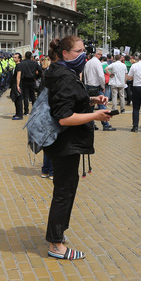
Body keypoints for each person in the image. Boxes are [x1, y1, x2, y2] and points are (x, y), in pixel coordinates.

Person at [43, 36, 113, 260]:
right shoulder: (64, 76)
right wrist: (96, 115)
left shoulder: (63, 72)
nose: (83, 55)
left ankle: (59, 233)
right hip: (65, 143)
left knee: (68, 189)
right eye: (78, 51)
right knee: (63, 192)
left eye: (84, 50)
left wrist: (91, 100)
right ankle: (55, 244)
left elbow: (67, 101)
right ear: (65, 53)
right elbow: (63, 117)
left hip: (67, 143)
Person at [84, 48, 115, 131]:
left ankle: (91, 124)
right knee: (102, 104)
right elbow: (101, 76)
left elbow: (85, 75)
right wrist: (103, 86)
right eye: (100, 55)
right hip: (96, 86)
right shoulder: (97, 63)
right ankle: (105, 124)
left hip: (88, 85)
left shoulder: (88, 62)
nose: (101, 56)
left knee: (90, 106)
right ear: (97, 54)